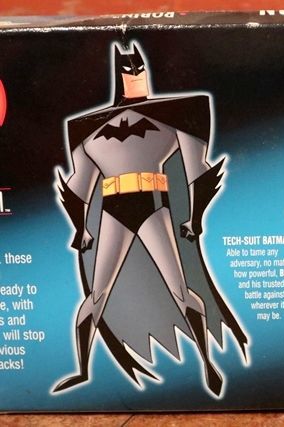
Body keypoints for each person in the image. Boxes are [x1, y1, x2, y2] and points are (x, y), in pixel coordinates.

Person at [54, 42, 248, 398]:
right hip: (113, 209)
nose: (136, 74)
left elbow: (198, 172)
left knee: (178, 288)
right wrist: (81, 229)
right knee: (98, 294)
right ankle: (82, 369)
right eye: (129, 69)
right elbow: (78, 187)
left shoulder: (174, 122)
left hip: (154, 205)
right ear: (118, 75)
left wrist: (195, 218)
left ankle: (208, 362)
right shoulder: (91, 132)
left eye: (139, 68)